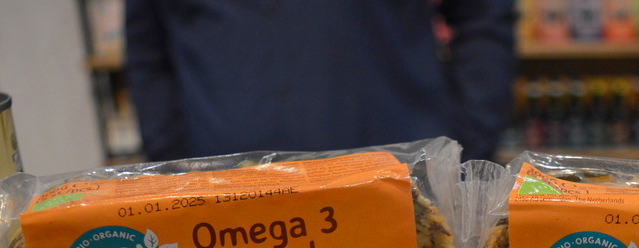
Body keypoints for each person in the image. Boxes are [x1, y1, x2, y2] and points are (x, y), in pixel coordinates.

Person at [123, 0, 517, 162]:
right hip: (224, 206)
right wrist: (172, 165)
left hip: (399, 189)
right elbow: (149, 52)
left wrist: (468, 147)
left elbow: (483, 17)